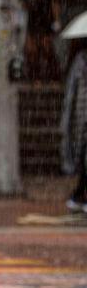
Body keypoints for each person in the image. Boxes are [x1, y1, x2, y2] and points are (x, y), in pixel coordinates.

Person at [60, 39, 87, 213]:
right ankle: (78, 195)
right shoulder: (81, 60)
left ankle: (78, 195)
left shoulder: (80, 60)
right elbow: (72, 94)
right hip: (82, 118)